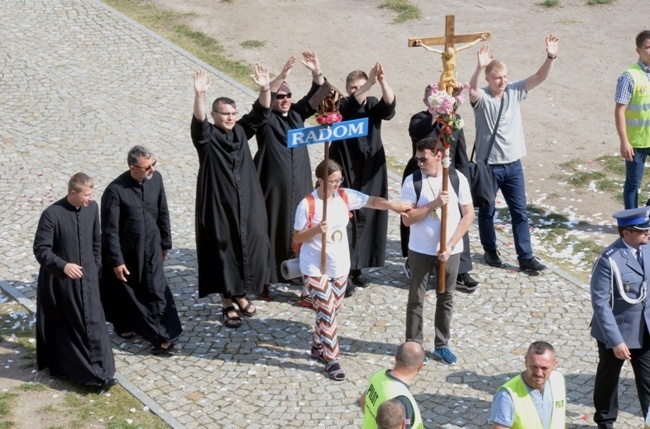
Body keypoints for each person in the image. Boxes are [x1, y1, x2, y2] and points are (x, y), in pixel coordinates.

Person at [294, 159, 410, 380]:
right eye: (332, 181)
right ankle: (332, 359)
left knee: (331, 311)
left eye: (339, 180)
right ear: (319, 181)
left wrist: (393, 206)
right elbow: (297, 236)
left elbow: (372, 201)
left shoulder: (344, 196)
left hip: (339, 265)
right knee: (327, 311)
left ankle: (318, 345)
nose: (337, 184)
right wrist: (317, 229)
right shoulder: (307, 204)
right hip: (314, 267)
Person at [469, 34, 559, 272]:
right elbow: (471, 92)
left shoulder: (515, 91)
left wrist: (550, 56)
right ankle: (490, 250)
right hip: (489, 167)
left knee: (520, 213)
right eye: (498, 77)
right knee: (487, 212)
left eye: (505, 77)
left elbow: (539, 77)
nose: (502, 81)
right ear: (488, 78)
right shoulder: (483, 98)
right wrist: (479, 67)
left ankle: (525, 256)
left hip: (513, 166)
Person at [192, 66, 272, 327]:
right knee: (223, 251)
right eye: (224, 114)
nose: (229, 118)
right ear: (215, 114)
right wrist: (200, 95)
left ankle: (240, 292)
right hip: (218, 205)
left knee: (249, 243)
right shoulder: (206, 137)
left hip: (246, 201)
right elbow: (199, 122)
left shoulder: (239, 131)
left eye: (233, 114)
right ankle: (227, 301)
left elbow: (261, 112)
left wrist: (264, 88)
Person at [34, 173, 117, 389]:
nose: (90, 198)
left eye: (91, 194)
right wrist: (64, 266)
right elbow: (41, 249)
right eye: (86, 194)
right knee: (72, 326)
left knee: (96, 323)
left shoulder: (92, 208)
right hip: (63, 283)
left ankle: (103, 370)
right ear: (73, 192)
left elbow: (96, 242)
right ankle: (84, 374)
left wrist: (95, 268)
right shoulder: (52, 214)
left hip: (88, 279)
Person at [254, 51, 324, 301]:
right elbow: (264, 99)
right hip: (273, 186)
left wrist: (316, 71)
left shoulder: (296, 115)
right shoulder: (264, 118)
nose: (284, 100)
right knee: (271, 228)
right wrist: (280, 76)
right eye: (279, 97)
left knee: (302, 228)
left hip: (300, 182)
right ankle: (265, 277)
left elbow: (318, 96)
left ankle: (300, 275)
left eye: (288, 96)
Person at [100, 146, 182, 354]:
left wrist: (165, 243)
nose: (152, 170)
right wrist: (117, 260)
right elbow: (110, 230)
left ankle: (162, 335)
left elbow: (163, 212)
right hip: (128, 252)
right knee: (131, 293)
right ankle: (126, 324)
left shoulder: (156, 179)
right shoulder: (115, 191)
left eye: (154, 164)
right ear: (133, 168)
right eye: (147, 168)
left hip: (152, 246)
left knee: (156, 289)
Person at [401, 137, 474, 365]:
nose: (419, 163)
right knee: (416, 298)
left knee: (446, 296)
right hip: (420, 249)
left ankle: (442, 344)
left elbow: (468, 214)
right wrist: (432, 205)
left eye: (424, 159)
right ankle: (414, 345)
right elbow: (407, 220)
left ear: (439, 156)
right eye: (417, 158)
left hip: (449, 250)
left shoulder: (456, 178)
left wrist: (451, 244)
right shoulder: (412, 181)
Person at [401, 84, 478, 292]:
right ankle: (414, 260)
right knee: (418, 217)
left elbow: (459, 149)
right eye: (431, 98)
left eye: (438, 97)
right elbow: (416, 132)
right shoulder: (420, 118)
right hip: (423, 174)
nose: (435, 100)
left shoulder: (452, 121)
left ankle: (460, 269)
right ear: (426, 101)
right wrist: (435, 113)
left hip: (449, 175)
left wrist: (463, 176)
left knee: (456, 219)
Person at [328, 62, 396, 296]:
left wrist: (383, 82)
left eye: (361, 86)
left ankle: (358, 267)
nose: (358, 91)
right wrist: (369, 83)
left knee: (368, 218)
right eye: (353, 87)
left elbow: (388, 108)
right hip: (347, 168)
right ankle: (343, 272)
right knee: (346, 220)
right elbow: (349, 110)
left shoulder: (372, 104)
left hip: (371, 170)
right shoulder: (341, 106)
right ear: (348, 90)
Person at [590, 207, 650, 428]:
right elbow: (600, 303)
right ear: (626, 233)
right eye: (642, 230)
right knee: (609, 380)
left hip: (644, 328)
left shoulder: (647, 248)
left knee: (648, 379)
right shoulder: (609, 259)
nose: (648, 233)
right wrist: (615, 341)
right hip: (616, 331)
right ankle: (605, 422)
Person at [489, 341, 566, 429]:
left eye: (544, 368)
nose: (539, 373)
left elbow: (559, 420)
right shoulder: (507, 396)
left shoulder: (558, 380)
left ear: (554, 364)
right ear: (525, 362)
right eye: (534, 367)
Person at [617, 30, 650, 209]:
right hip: (636, 142)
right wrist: (624, 142)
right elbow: (620, 110)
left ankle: (646, 216)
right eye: (648, 47)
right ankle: (631, 224)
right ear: (638, 50)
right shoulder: (629, 76)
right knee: (633, 185)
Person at [359, 341, 425, 429]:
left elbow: (363, 401)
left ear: (395, 357)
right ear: (420, 366)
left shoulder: (378, 375)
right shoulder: (402, 400)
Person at [414, 34, 487, 95]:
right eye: (449, 57)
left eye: (451, 56)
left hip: (452, 77)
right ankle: (442, 111)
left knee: (449, 97)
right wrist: (422, 44)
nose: (450, 58)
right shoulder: (443, 54)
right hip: (445, 77)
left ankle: (449, 112)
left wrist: (480, 39)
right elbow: (431, 49)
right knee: (443, 95)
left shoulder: (455, 52)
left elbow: (468, 45)